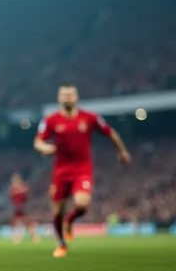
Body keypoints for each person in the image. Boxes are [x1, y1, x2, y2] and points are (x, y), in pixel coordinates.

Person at [34, 84, 131, 258]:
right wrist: (44, 147)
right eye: (64, 95)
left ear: (76, 97)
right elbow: (38, 140)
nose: (67, 98)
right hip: (61, 172)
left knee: (82, 205)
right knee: (57, 212)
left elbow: (111, 132)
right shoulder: (51, 120)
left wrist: (122, 151)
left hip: (82, 169)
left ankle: (70, 221)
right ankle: (61, 244)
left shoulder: (90, 117)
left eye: (70, 94)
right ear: (59, 98)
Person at [9, 173, 39, 244]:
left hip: (22, 207)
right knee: (16, 223)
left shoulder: (22, 188)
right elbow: (12, 198)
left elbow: (25, 197)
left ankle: (33, 237)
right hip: (17, 207)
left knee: (25, 223)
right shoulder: (13, 188)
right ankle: (18, 237)